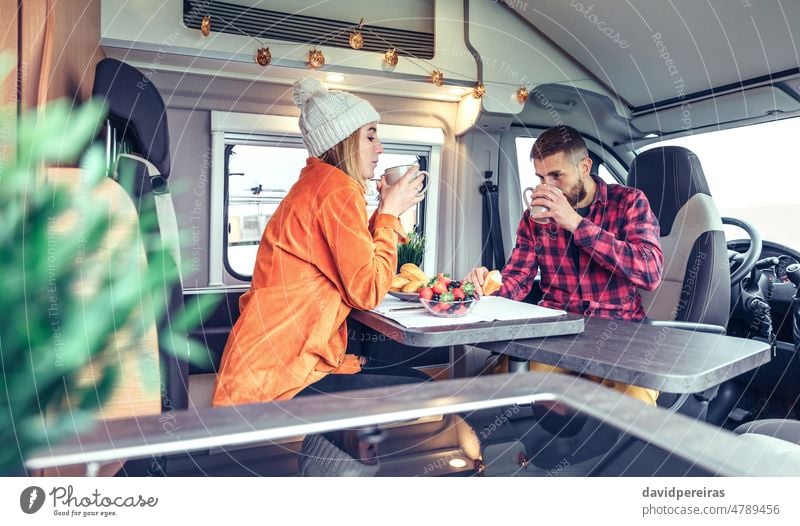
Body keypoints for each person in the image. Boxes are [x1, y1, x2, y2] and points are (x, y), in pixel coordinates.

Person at [212, 78, 428, 474]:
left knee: (399, 376)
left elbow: (349, 262)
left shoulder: (318, 184)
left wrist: (383, 207)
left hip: (269, 362)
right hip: (278, 374)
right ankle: (354, 472)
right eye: (371, 136)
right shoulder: (336, 190)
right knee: (424, 390)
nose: (380, 149)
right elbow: (367, 290)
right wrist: (391, 214)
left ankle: (336, 463)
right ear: (346, 140)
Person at [466, 125, 664, 406]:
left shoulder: (629, 202)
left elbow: (650, 271)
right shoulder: (534, 218)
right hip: (557, 333)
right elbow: (519, 277)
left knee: (636, 409)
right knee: (494, 389)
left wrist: (576, 224)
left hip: (619, 335)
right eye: (541, 177)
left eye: (557, 175)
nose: (547, 186)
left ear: (584, 167)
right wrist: (488, 286)